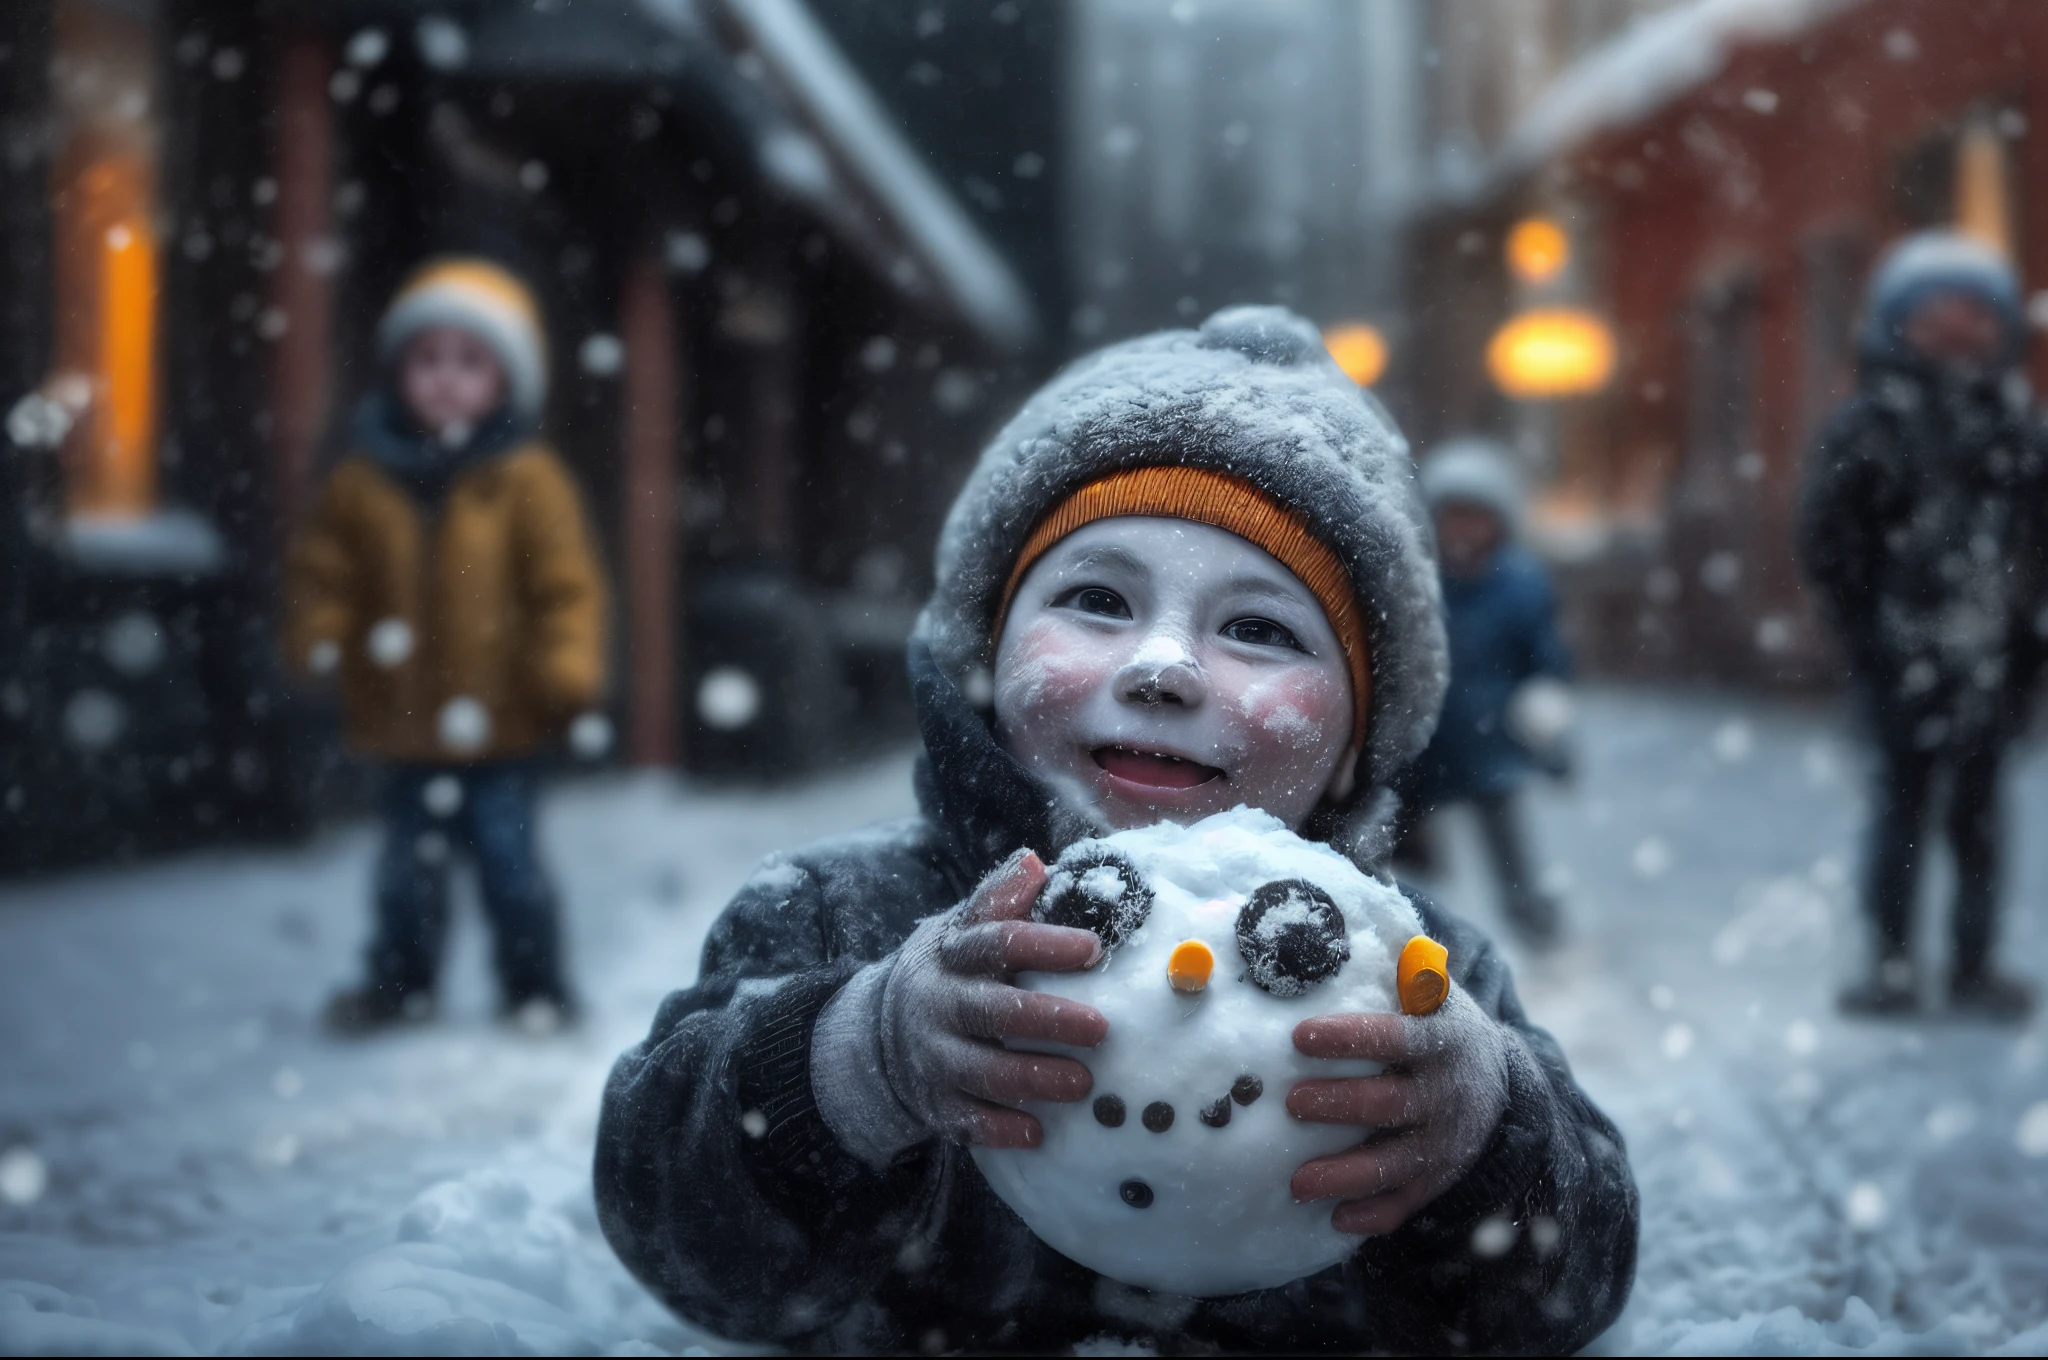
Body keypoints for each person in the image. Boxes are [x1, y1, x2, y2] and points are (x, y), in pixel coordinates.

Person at [594, 309, 1637, 1353]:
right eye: (1096, 599)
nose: (1163, 667)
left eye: (1258, 629)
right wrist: (858, 1062)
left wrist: (1483, 1138)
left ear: (1355, 743)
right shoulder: (842, 916)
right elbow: (674, 1225)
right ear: (985, 661)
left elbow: (1562, 1298)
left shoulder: (1418, 977)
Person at [285, 257, 609, 1034]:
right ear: (398, 373)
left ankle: (534, 986)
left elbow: (565, 585)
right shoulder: (363, 483)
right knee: (406, 876)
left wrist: (567, 661)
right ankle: (401, 983)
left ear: (506, 382)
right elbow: (324, 571)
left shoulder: (528, 481)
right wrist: (321, 631)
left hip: (504, 722)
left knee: (512, 870)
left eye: (470, 362)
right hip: (401, 722)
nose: (445, 379)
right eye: (427, 360)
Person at [1798, 230, 2047, 1021]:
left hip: (1994, 657)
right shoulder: (1870, 424)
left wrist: (2025, 628)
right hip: (1899, 652)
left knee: (1979, 819)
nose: (1958, 325)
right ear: (1898, 323)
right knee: (1901, 810)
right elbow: (1830, 537)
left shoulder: (2017, 424)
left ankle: (1973, 962)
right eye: (1937, 309)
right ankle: (1893, 960)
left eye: (1977, 309)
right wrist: (1869, 624)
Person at [1393, 438, 1575, 949]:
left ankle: (1542, 937)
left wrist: (1551, 723)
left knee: (1511, 857)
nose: (1465, 531)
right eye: (1453, 517)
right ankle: (1407, 941)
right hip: (1420, 748)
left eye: (1478, 517)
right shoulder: (1413, 582)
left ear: (1501, 522)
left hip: (1491, 744)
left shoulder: (1520, 586)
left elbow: (1546, 659)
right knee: (1398, 854)